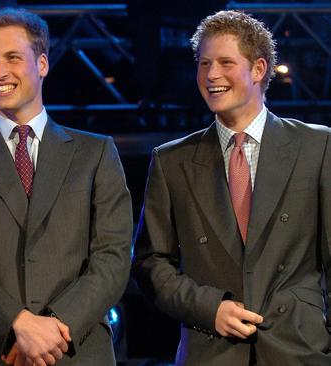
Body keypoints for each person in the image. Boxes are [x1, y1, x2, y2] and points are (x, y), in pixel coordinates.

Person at [0, 7, 132, 366]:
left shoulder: (95, 153)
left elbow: (112, 258)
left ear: (43, 64)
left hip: (74, 351)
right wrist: (17, 324)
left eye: (12, 58)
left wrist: (52, 329)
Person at [133, 10, 331, 365]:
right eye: (204, 63)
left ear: (258, 69)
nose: (211, 75)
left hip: (301, 351)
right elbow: (151, 263)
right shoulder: (172, 161)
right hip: (211, 351)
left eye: (225, 62)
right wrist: (211, 309)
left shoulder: (317, 147)